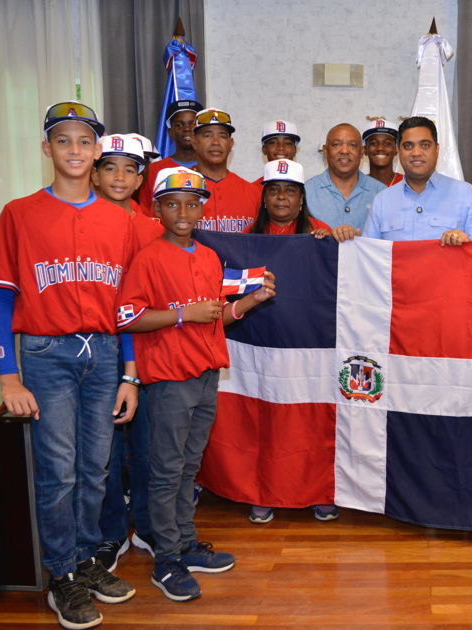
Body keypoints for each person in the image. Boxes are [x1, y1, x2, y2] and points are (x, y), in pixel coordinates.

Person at [0, 101, 139, 629]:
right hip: (47, 355)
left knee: (96, 469)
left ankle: (87, 559)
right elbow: (2, 297)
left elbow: (127, 308)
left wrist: (130, 373)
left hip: (103, 355)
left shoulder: (119, 220)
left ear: (97, 152)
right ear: (47, 148)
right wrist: (9, 374)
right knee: (59, 472)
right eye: (64, 140)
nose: (75, 149)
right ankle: (62, 575)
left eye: (84, 141)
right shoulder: (19, 212)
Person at [116, 167, 277, 601]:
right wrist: (183, 315)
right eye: (172, 204)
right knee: (167, 471)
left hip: (206, 374)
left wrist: (248, 302)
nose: (183, 212)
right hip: (169, 379)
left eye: (192, 203)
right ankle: (165, 559)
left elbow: (216, 317)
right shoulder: (149, 257)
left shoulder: (207, 257)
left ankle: (185, 545)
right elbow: (127, 317)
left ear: (202, 208)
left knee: (190, 466)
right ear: (158, 209)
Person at [90, 135, 163, 569]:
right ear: (95, 173)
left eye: (129, 170)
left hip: (148, 347)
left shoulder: (155, 229)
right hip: (100, 347)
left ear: (141, 180)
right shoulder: (80, 220)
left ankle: (150, 526)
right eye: (110, 167)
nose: (119, 177)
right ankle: (112, 531)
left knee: (149, 442)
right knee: (105, 447)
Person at [244, 158, 330, 524]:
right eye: (274, 190)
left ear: (301, 198)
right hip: (264, 345)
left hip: (309, 344)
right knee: (268, 422)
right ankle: (265, 491)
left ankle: (318, 491)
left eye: (289, 191)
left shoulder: (321, 233)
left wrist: (340, 240)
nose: (281, 197)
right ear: (264, 199)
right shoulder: (246, 240)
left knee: (312, 421)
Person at [333, 117, 472, 245]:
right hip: (396, 285)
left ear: (437, 149)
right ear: (398, 150)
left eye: (424, 145)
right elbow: (371, 258)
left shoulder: (465, 194)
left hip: (449, 284)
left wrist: (467, 243)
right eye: (408, 146)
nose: (416, 153)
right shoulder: (382, 200)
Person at [191, 107, 262, 232]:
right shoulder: (177, 188)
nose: (216, 142)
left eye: (222, 136)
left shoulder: (252, 192)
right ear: (194, 142)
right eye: (207, 135)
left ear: (231, 144)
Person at [305, 123, 386, 230]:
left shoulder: (381, 193)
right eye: (336, 145)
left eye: (352, 145)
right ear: (325, 150)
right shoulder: (306, 191)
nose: (344, 151)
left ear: (362, 151)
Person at [139, 99, 202, 214]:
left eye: (192, 124)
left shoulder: (210, 169)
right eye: (179, 125)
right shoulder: (153, 171)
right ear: (171, 133)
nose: (187, 129)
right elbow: (146, 213)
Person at [254, 120, 300, 185]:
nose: (281, 147)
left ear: (295, 150)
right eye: (273, 142)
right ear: (264, 149)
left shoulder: (306, 189)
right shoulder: (252, 189)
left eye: (287, 143)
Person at [362, 119, 403, 187]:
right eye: (374, 143)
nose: (380, 148)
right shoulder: (357, 186)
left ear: (396, 149)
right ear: (365, 149)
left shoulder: (407, 184)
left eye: (387, 143)